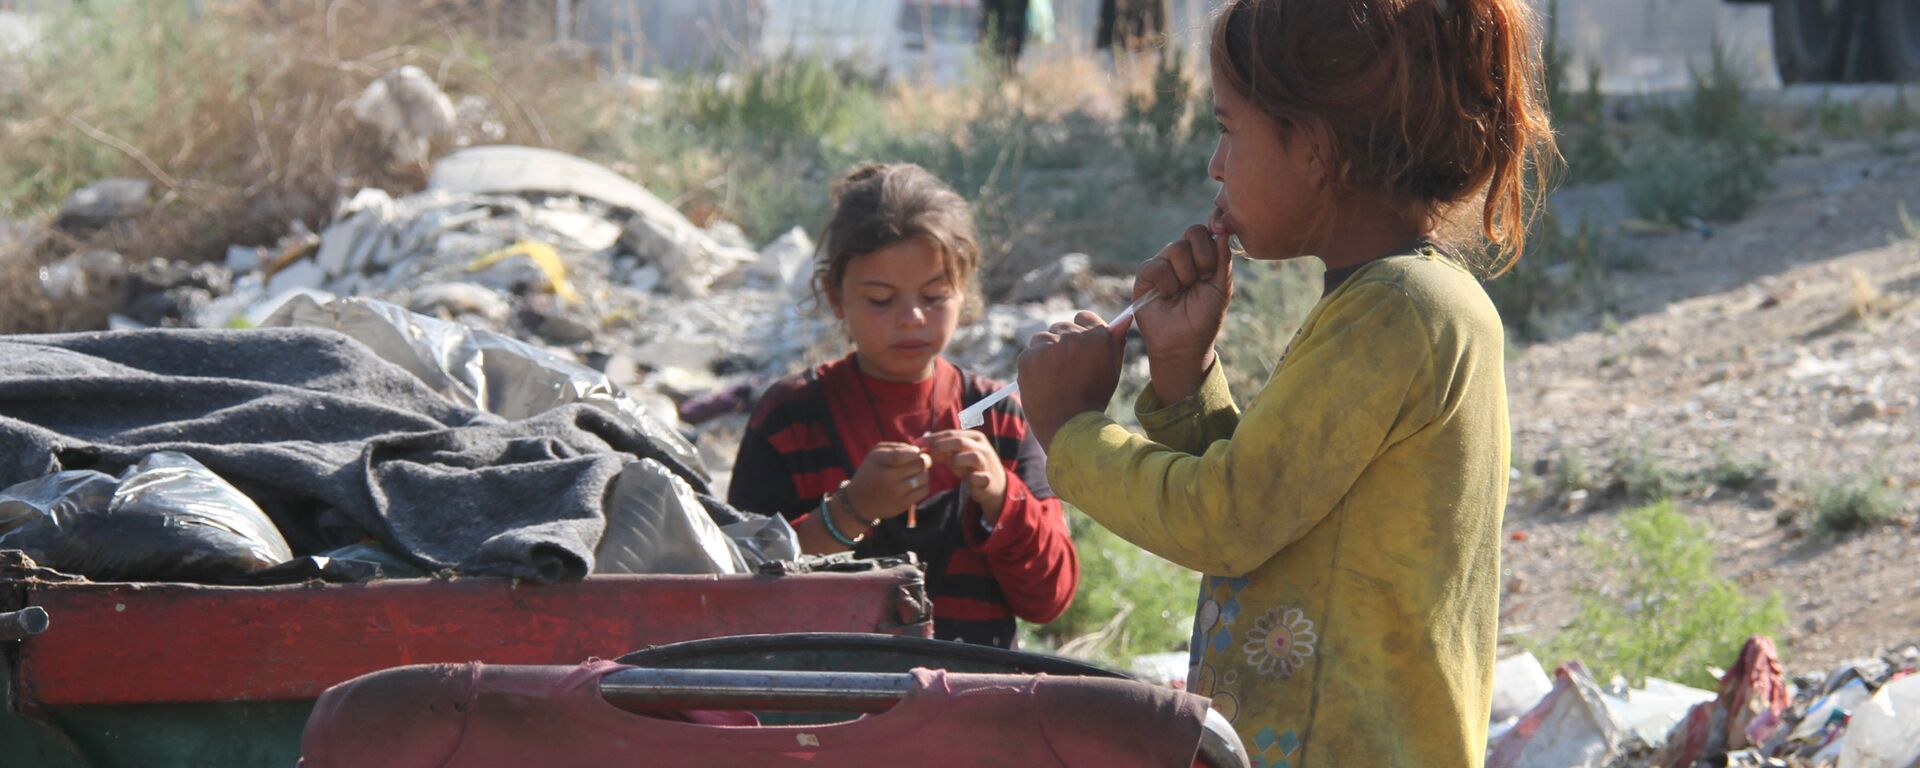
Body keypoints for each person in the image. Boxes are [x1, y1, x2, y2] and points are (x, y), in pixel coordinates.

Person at [1014, 0, 1556, 764]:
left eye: (1229, 129)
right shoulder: (1396, 301)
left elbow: (1228, 520)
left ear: (1314, 149)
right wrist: (1186, 375)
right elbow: (1273, 512)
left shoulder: (1398, 311)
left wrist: (1070, 430)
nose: (1215, 165)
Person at [729, 163, 1077, 649]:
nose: (912, 318)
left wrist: (1002, 497)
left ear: (963, 291)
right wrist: (850, 511)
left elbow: (1049, 599)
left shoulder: (1000, 419)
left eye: (935, 296)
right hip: (829, 691)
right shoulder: (791, 418)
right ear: (835, 296)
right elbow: (738, 588)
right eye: (880, 299)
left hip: (976, 691)